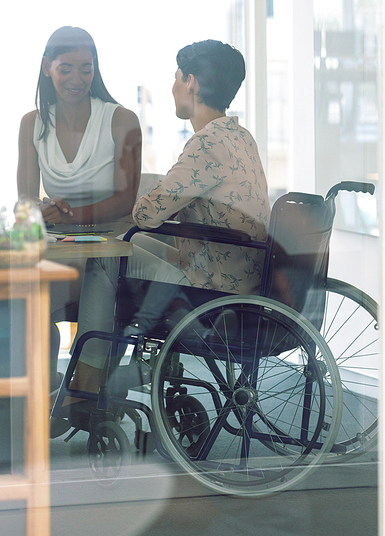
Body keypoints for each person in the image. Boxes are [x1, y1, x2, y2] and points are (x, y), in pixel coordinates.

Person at [56, 39, 270, 426]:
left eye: (175, 78)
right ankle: (107, 376)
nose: (173, 86)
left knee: (106, 258)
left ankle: (87, 381)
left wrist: (138, 197)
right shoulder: (239, 136)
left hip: (214, 284)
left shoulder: (206, 143)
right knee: (130, 242)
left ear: (190, 83)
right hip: (237, 268)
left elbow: (148, 211)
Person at [17, 26, 141, 389]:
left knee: (99, 269)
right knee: (28, 297)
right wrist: (40, 213)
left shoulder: (121, 119)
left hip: (111, 245)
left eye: (86, 68)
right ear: (46, 67)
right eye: (66, 68)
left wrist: (73, 216)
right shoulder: (32, 124)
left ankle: (85, 386)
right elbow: (25, 204)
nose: (77, 79)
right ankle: (47, 391)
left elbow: (126, 199)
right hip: (61, 248)